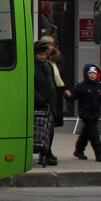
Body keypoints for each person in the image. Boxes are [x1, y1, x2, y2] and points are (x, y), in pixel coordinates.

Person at [66, 64, 101, 162]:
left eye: (94, 73)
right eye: (90, 73)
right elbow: (74, 96)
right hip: (85, 113)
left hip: (95, 113)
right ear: (86, 74)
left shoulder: (100, 86)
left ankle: (79, 150)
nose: (92, 75)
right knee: (94, 135)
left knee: (86, 133)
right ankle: (100, 154)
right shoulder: (81, 86)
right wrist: (69, 95)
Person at [33, 39, 59, 167]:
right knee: (38, 128)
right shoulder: (32, 67)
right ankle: (41, 150)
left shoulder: (48, 66)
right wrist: (40, 99)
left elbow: (52, 83)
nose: (42, 57)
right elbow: (30, 87)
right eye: (40, 54)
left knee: (49, 129)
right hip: (38, 104)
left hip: (50, 102)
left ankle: (47, 150)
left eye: (44, 54)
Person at [40, 33, 69, 129]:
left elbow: (61, 75)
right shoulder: (41, 59)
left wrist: (65, 89)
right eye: (47, 45)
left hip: (57, 90)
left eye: (51, 45)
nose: (49, 47)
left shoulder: (57, 59)